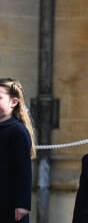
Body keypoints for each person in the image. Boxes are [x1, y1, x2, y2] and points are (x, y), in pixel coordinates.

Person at [0, 77, 36, 223]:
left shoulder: (17, 130)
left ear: (13, 102)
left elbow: (24, 169)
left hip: (10, 204)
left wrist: (22, 203)